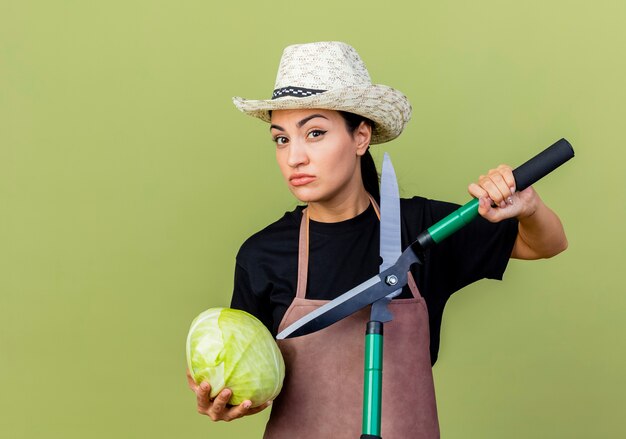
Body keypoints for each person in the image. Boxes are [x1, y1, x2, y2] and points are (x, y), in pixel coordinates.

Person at [186, 41, 568, 438]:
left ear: (360, 137)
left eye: (314, 133)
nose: (294, 157)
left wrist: (528, 207)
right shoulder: (263, 255)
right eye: (281, 139)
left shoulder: (424, 228)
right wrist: (230, 400)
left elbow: (546, 244)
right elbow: (254, 375)